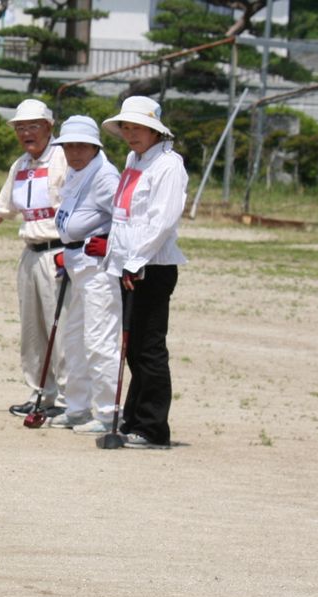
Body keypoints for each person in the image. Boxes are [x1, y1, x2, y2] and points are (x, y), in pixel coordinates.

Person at [0, 98, 69, 417]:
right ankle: (40, 393)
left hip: (59, 253)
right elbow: (3, 206)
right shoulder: (21, 165)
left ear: (49, 127)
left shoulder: (64, 158)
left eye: (33, 126)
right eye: (20, 127)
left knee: (60, 328)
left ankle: (67, 400)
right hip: (30, 253)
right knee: (32, 329)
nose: (26, 133)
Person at [101, 96, 188, 449]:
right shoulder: (133, 159)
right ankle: (134, 418)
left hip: (152, 266)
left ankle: (153, 427)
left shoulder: (169, 165)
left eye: (137, 127)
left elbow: (162, 221)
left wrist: (136, 261)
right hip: (128, 264)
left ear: (154, 130)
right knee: (133, 348)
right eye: (126, 126)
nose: (130, 133)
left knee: (149, 348)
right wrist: (123, 260)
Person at [49, 115, 121, 435]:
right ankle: (77, 407)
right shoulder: (75, 172)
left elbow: (125, 219)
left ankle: (107, 414)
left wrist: (111, 243)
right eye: (68, 145)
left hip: (99, 268)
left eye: (82, 145)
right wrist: (69, 251)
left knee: (98, 340)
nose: (74, 151)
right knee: (74, 340)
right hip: (77, 263)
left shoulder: (105, 176)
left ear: (95, 147)